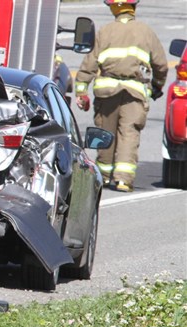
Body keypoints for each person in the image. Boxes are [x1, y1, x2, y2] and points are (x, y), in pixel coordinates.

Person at [74, 0, 167, 192]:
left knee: (105, 134)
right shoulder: (145, 32)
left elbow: (89, 64)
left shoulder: (105, 31)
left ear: (114, 7)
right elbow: (161, 65)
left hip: (106, 93)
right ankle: (123, 179)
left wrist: (81, 91)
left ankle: (104, 176)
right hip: (134, 94)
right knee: (129, 133)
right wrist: (157, 86)